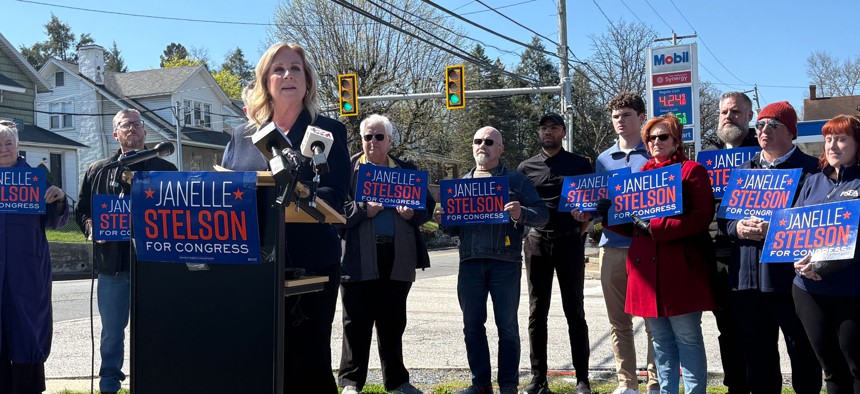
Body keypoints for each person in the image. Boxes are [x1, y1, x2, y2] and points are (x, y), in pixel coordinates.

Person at [220, 42, 350, 393]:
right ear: (266, 81)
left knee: (308, 363)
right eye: (278, 69)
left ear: (307, 81)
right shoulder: (242, 136)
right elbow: (227, 190)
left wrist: (304, 195)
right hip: (254, 263)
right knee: (259, 359)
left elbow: (336, 193)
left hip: (312, 262)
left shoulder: (328, 131)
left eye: (295, 68)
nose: (287, 75)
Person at [600, 113, 715, 394]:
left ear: (676, 141)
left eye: (663, 137)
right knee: (661, 342)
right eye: (650, 138)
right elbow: (634, 226)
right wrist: (610, 217)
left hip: (680, 270)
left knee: (687, 339)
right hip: (646, 273)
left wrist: (655, 227)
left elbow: (700, 218)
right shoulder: (641, 176)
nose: (655, 142)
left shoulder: (692, 171)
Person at [717, 101, 822, 394]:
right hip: (748, 281)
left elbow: (815, 223)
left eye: (773, 125)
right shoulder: (744, 170)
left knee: (803, 355)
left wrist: (774, 229)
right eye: (760, 125)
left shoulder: (811, 170)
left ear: (791, 133)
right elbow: (724, 219)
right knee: (758, 360)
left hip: (792, 282)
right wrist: (737, 227)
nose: (764, 130)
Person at [433, 127, 548, 394]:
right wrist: (443, 221)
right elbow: (454, 229)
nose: (482, 145)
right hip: (470, 262)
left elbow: (542, 215)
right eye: (477, 141)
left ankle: (508, 384)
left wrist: (520, 213)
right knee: (472, 326)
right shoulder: (461, 184)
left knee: (507, 327)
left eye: (488, 141)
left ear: (500, 149)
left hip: (505, 263)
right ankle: (480, 384)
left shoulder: (516, 181)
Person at [75, 109, 178, 394]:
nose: (131, 128)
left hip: (154, 267)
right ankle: (109, 384)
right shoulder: (99, 171)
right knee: (111, 332)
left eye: (136, 124)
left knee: (156, 327)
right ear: (115, 134)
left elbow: (179, 213)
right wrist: (91, 227)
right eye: (125, 125)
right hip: (113, 266)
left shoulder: (166, 169)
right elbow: (82, 210)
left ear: (145, 132)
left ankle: (155, 380)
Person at [338, 114, 434, 394]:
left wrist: (413, 213)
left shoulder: (407, 170)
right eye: (367, 137)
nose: (373, 142)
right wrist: (361, 210)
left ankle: (397, 382)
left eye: (379, 136)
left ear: (390, 140)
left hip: (397, 256)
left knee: (393, 321)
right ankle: (351, 383)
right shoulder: (347, 170)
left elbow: (427, 208)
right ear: (361, 140)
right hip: (357, 256)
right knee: (355, 322)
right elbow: (332, 209)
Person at [517, 113, 593, 394]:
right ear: (539, 133)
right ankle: (538, 379)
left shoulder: (579, 164)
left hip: (569, 242)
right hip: (536, 243)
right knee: (537, 312)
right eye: (544, 128)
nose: (548, 132)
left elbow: (591, 204)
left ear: (563, 132)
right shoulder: (525, 167)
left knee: (575, 310)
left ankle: (582, 379)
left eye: (554, 127)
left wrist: (581, 228)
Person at [594, 92, 658, 394]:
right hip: (612, 245)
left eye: (626, 115)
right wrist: (588, 210)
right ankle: (627, 383)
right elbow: (598, 203)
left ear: (641, 117)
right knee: (618, 321)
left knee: (653, 321)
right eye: (615, 116)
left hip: (648, 246)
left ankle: (655, 381)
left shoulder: (654, 153)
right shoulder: (603, 159)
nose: (620, 121)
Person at [791, 115, 860, 393]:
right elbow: (793, 229)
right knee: (831, 369)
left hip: (851, 291)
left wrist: (825, 265)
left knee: (857, 367)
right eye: (828, 139)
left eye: (841, 139)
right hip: (809, 292)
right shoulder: (813, 182)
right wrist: (795, 258)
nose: (832, 145)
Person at [0, 122, 69, 394]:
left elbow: (56, 221)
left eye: (8, 143)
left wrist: (59, 199)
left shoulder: (34, 180)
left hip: (27, 270)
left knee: (27, 327)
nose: (3, 149)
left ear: (18, 146)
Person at [708, 91, 758, 394]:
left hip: (756, 255)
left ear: (749, 116)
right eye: (724, 112)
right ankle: (735, 387)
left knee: (757, 330)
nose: (729, 117)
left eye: (736, 111)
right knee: (726, 329)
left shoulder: (762, 152)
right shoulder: (708, 157)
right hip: (719, 256)